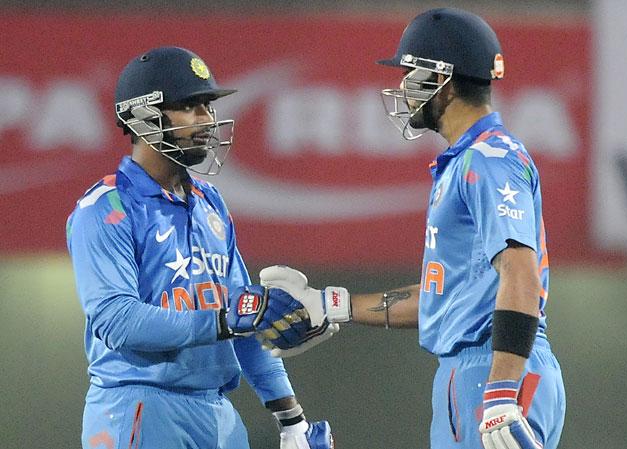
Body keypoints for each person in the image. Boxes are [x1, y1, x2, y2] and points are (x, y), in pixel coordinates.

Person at [254, 8, 566, 449]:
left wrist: (499, 395)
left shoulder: (487, 159)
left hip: (492, 372)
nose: (403, 86)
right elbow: (445, 300)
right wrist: (332, 304)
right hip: (485, 369)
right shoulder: (471, 159)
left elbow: (521, 272)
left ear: (443, 79)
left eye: (412, 72)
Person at [66, 46, 333, 449]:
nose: (207, 120)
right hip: (138, 406)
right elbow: (117, 321)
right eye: (191, 106)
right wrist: (225, 319)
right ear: (144, 115)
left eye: (207, 106)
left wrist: (291, 419)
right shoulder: (105, 207)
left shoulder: (210, 201)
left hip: (217, 414)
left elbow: (244, 313)